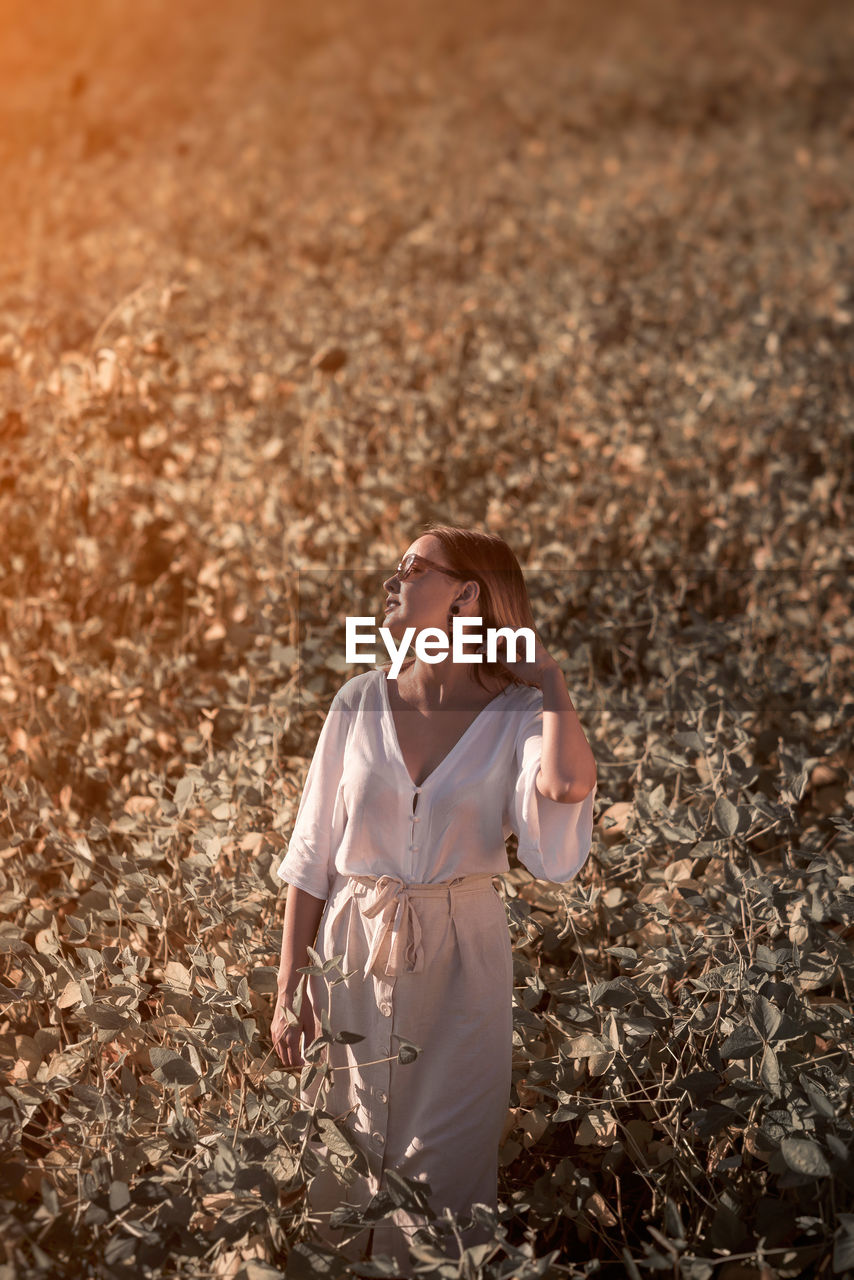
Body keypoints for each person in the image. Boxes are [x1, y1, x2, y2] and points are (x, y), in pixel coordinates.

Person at [271, 524, 597, 1274]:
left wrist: (549, 679)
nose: (393, 580)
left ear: (466, 593)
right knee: (339, 1169)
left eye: (412, 568)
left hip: (463, 967)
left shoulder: (519, 712)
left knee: (443, 1189)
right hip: (352, 953)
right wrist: (290, 984)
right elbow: (313, 855)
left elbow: (566, 788)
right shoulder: (357, 700)